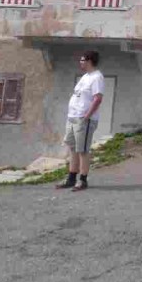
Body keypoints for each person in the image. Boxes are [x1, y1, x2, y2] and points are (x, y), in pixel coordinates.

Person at [56, 51, 105, 192]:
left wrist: (87, 116)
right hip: (72, 117)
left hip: (83, 119)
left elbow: (98, 98)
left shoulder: (97, 77)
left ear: (89, 61)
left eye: (82, 60)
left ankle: (82, 180)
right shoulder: (85, 77)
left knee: (83, 149)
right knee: (73, 148)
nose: (80, 62)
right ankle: (71, 178)